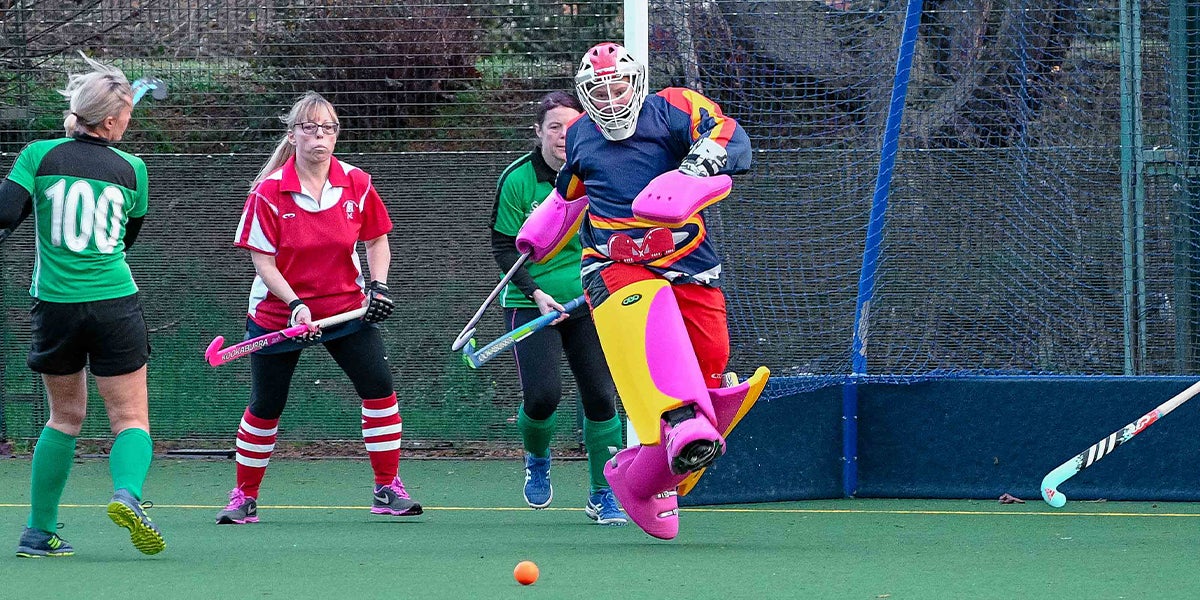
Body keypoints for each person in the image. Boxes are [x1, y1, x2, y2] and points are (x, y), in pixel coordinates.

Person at [513, 42, 770, 540]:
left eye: (617, 86)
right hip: (612, 264)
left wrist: (695, 169)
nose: (609, 99)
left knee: (711, 366)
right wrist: (538, 232)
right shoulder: (582, 134)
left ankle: (638, 477)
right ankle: (674, 436)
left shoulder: (674, 106)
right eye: (597, 90)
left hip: (686, 259)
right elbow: (570, 195)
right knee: (657, 349)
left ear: (637, 83)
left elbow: (729, 135)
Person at [215, 91, 421, 524]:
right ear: (293, 135)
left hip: (346, 309)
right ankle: (243, 497)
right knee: (266, 404)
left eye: (327, 127)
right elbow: (262, 261)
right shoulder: (268, 193)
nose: (319, 136)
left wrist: (379, 287)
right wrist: (295, 304)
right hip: (278, 314)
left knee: (380, 391)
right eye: (309, 128)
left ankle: (387, 489)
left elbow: (377, 238)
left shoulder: (357, 183)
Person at [0, 55, 165, 557]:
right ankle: (126, 494)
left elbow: (5, 212)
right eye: (127, 118)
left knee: (64, 418)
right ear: (111, 121)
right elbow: (126, 237)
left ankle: (37, 531)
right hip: (114, 302)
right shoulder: (133, 169)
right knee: (131, 419)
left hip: (55, 307)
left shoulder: (38, 154)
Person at [490, 91, 626, 525]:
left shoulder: (601, 172)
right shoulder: (517, 180)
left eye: (572, 126)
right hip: (531, 302)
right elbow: (503, 244)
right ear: (539, 132)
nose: (564, 136)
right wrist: (535, 294)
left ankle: (603, 494)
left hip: (590, 297)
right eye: (554, 127)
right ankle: (537, 456)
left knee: (603, 397)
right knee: (544, 396)